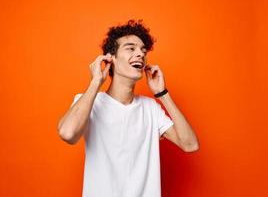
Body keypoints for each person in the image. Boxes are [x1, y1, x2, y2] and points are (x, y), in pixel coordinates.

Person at [57, 19, 199, 197]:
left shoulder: (151, 109)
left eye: (143, 50)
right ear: (112, 58)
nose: (140, 54)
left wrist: (162, 93)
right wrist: (95, 82)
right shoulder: (89, 102)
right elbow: (68, 133)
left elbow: (190, 145)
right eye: (131, 48)